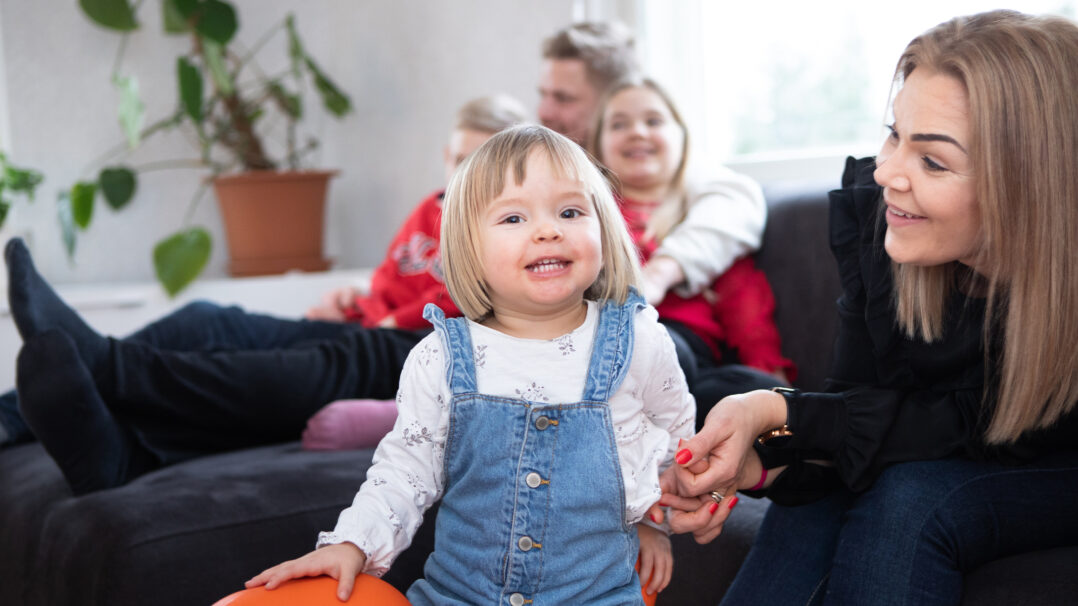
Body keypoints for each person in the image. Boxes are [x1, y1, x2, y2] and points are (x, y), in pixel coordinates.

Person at [658, 10, 1078, 605]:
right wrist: (761, 459)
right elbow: (859, 423)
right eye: (893, 134)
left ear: (1032, 183)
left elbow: (959, 428)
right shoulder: (886, 238)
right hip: (961, 447)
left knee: (911, 500)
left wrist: (783, 411)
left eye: (932, 161)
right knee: (832, 499)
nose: (886, 173)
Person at [245, 124, 695, 602]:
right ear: (468, 249)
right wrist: (352, 543)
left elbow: (673, 440)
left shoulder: (640, 341)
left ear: (603, 227)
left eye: (570, 211)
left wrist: (655, 522)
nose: (547, 230)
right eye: (513, 219)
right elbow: (404, 472)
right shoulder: (439, 358)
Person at [1, 94, 527, 492]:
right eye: (458, 160)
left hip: (425, 342)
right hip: (372, 324)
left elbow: (473, 290)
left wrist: (394, 319)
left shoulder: (506, 221)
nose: (463, 176)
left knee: (324, 361)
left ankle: (106, 366)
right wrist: (359, 299)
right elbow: (393, 277)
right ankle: (50, 425)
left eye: (479, 165)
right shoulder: (429, 211)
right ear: (444, 155)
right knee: (210, 322)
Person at [591, 76, 794, 426]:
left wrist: (769, 369)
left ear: (682, 139)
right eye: (619, 124)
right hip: (611, 348)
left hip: (691, 359)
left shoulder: (702, 221)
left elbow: (744, 306)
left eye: (653, 121)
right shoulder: (590, 215)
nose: (637, 131)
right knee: (652, 344)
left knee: (760, 391)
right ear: (598, 146)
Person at [538, 22, 769, 309]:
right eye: (543, 94)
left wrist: (658, 274)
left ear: (615, 97)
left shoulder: (667, 163)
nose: (543, 112)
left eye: (563, 98)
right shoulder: (547, 159)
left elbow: (739, 201)